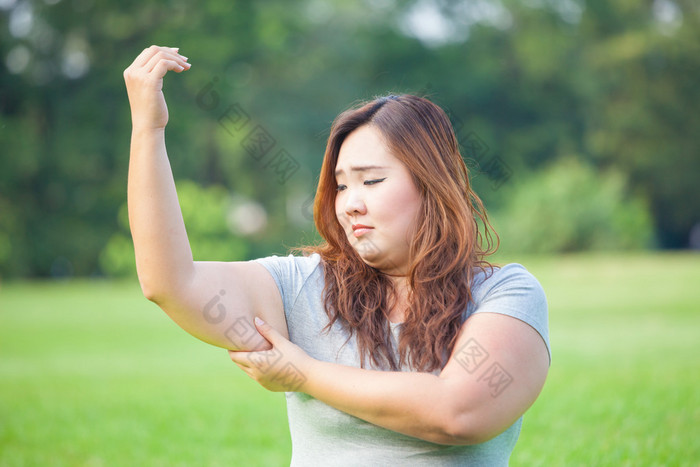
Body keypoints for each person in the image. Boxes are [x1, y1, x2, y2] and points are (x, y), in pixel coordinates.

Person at [124, 45, 550, 466]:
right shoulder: (301, 286)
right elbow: (170, 283)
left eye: (372, 181)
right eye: (342, 186)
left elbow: (459, 413)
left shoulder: (504, 293)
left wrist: (304, 373)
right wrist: (148, 129)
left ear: (432, 184)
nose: (349, 204)